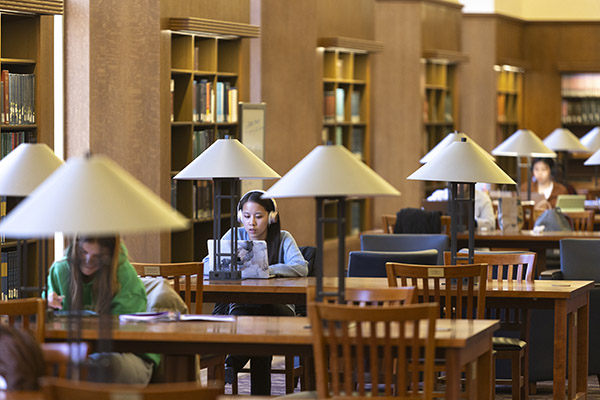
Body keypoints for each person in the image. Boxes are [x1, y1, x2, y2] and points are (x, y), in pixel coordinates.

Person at [206, 190, 308, 395]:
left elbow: (301, 267)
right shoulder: (234, 236)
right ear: (239, 217)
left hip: (279, 309)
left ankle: (232, 363)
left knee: (259, 315)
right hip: (245, 308)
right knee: (259, 328)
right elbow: (207, 264)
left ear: (271, 217)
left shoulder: (283, 238)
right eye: (246, 216)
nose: (251, 223)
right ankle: (259, 394)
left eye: (258, 216)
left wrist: (267, 270)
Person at [47, 235, 159, 385]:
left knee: (105, 367)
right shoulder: (60, 270)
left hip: (127, 353)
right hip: (77, 352)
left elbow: (125, 333)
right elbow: (47, 318)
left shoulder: (124, 275)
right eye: (83, 252)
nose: (88, 260)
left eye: (97, 256)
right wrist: (47, 305)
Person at [427, 184, 496, 231]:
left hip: (475, 244)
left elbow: (491, 224)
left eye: (462, 182)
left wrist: (473, 223)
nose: (459, 185)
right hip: (444, 242)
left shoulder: (482, 197)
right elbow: (426, 215)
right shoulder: (438, 196)